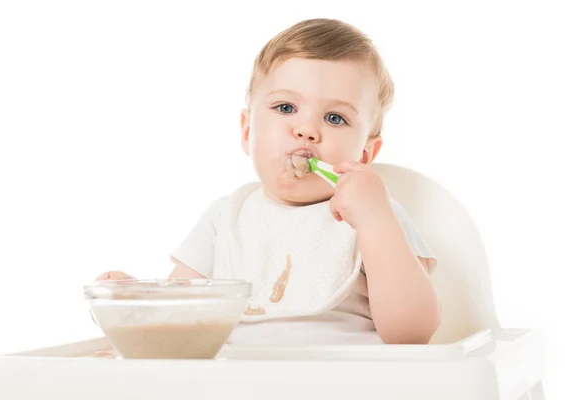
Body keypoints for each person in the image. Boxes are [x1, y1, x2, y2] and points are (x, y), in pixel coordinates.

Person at [97, 18, 440, 345]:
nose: (306, 130)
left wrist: (374, 220)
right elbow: (176, 318)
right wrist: (135, 302)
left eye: (335, 118)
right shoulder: (225, 219)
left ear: (365, 154)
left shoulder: (378, 218)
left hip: (346, 380)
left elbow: (412, 334)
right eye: (286, 107)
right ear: (247, 132)